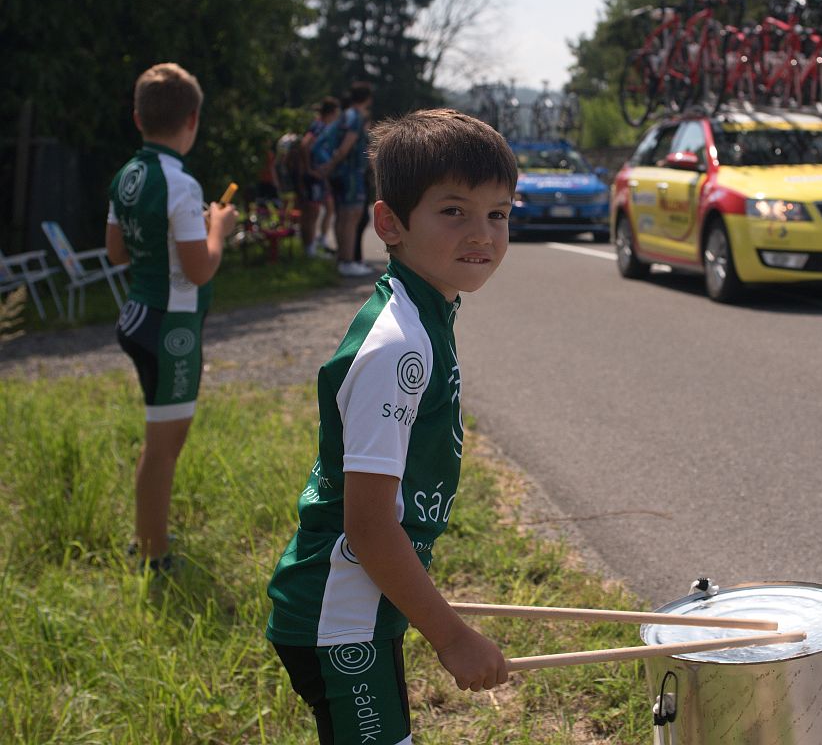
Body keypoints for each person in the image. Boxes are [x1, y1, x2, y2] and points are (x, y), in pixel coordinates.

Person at [266, 109, 517, 744]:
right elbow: (370, 526)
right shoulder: (398, 346)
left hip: (361, 607)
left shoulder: (426, 312)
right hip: (339, 618)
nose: (482, 233)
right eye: (454, 211)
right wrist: (452, 637)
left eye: (498, 213)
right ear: (390, 224)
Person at [105, 62, 237, 572]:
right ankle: (152, 553)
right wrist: (218, 227)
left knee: (157, 439)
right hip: (172, 328)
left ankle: (148, 532)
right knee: (164, 446)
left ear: (138, 118)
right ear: (192, 119)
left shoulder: (127, 176)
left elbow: (117, 252)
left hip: (138, 314)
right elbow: (200, 269)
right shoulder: (180, 183)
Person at [321, 81, 374, 276]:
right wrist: (332, 164)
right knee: (352, 216)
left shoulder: (345, 114)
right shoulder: (357, 117)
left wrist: (330, 166)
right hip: (352, 173)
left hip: (341, 173)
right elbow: (346, 146)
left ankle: (342, 259)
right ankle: (348, 261)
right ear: (367, 98)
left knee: (342, 216)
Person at [300, 97, 342, 257]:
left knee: (329, 207)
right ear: (332, 112)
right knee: (312, 212)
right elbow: (305, 144)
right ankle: (310, 249)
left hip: (321, 175)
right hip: (314, 176)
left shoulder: (324, 126)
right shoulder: (319, 126)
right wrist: (309, 169)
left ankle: (321, 240)